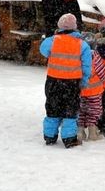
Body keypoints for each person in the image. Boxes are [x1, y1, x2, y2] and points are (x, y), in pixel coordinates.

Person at [38, 13, 90, 148]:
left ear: (59, 27)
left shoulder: (52, 41)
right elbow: (86, 66)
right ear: (75, 27)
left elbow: (43, 50)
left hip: (53, 81)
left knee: (52, 108)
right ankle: (69, 138)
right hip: (72, 83)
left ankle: (49, 136)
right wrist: (83, 81)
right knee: (70, 110)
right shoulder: (82, 45)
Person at [78, 33, 105, 142]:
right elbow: (102, 73)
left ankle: (80, 132)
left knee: (81, 112)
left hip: (80, 92)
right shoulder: (96, 57)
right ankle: (92, 134)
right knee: (93, 112)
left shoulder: (78, 57)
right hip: (94, 92)